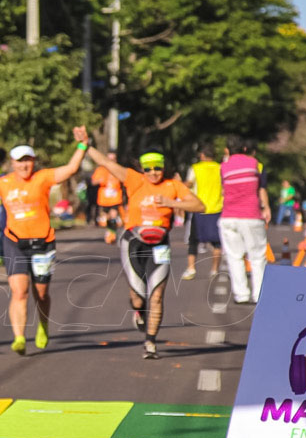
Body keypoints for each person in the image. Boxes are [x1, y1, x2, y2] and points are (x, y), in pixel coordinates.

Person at [84, 144, 205, 359]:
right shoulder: (134, 180)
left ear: (163, 167)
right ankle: (138, 310)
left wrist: (170, 202)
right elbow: (106, 163)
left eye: (157, 168)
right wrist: (84, 144)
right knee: (139, 296)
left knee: (157, 296)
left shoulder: (172, 185)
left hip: (160, 245)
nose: (153, 173)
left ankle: (150, 342)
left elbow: (199, 206)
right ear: (142, 169)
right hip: (134, 243)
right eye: (148, 169)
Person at [0, 131, 88, 353]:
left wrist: (83, 146)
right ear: (12, 163)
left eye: (27, 160)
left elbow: (71, 169)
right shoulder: (3, 183)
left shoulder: (43, 177)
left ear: (33, 161)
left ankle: (43, 325)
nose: (24, 165)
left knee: (41, 293)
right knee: (19, 291)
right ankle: (18, 337)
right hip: (15, 241)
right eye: (19, 161)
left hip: (43, 242)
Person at [219, 140, 271, 303]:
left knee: (234, 256)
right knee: (257, 257)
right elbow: (260, 188)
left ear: (227, 150)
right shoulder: (253, 163)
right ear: (246, 149)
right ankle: (259, 294)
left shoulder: (223, 167)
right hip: (251, 215)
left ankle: (241, 294)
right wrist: (266, 207)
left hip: (228, 216)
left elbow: (223, 190)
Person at [182, 146, 223, 280]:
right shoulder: (220, 168)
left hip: (199, 208)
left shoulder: (196, 168)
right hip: (217, 208)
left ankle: (191, 269)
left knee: (193, 240)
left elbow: (188, 184)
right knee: (217, 242)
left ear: (202, 155)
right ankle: (214, 270)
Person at [91, 150, 124, 243]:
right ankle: (109, 230)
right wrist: (100, 180)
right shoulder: (101, 169)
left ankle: (111, 234)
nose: (111, 161)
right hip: (104, 198)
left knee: (113, 215)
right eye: (109, 159)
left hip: (115, 197)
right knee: (106, 218)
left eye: (113, 159)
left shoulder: (119, 169)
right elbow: (93, 182)